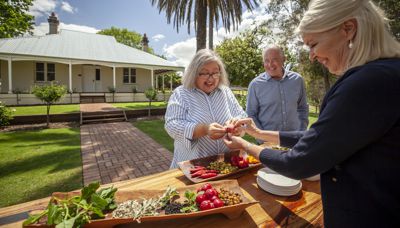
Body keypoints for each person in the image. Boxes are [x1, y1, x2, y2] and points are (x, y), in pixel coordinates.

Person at [224, 0, 400, 227]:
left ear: (348, 29)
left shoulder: (368, 83)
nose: (311, 56)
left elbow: (300, 162)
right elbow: (330, 135)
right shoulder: (388, 73)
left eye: (313, 44)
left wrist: (244, 145)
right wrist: (258, 132)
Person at [165, 49, 246, 169]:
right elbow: (172, 125)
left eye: (215, 73)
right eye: (205, 73)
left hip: (227, 164)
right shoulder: (181, 93)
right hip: (193, 167)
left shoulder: (225, 92)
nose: (211, 78)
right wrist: (203, 129)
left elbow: (242, 116)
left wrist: (238, 127)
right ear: (194, 73)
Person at [246, 45, 309, 138]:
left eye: (274, 60)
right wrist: (262, 138)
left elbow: (303, 108)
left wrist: (300, 133)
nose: (270, 64)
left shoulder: (297, 80)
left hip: (294, 142)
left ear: (283, 59)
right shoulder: (255, 85)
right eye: (266, 61)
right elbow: (251, 115)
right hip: (267, 143)